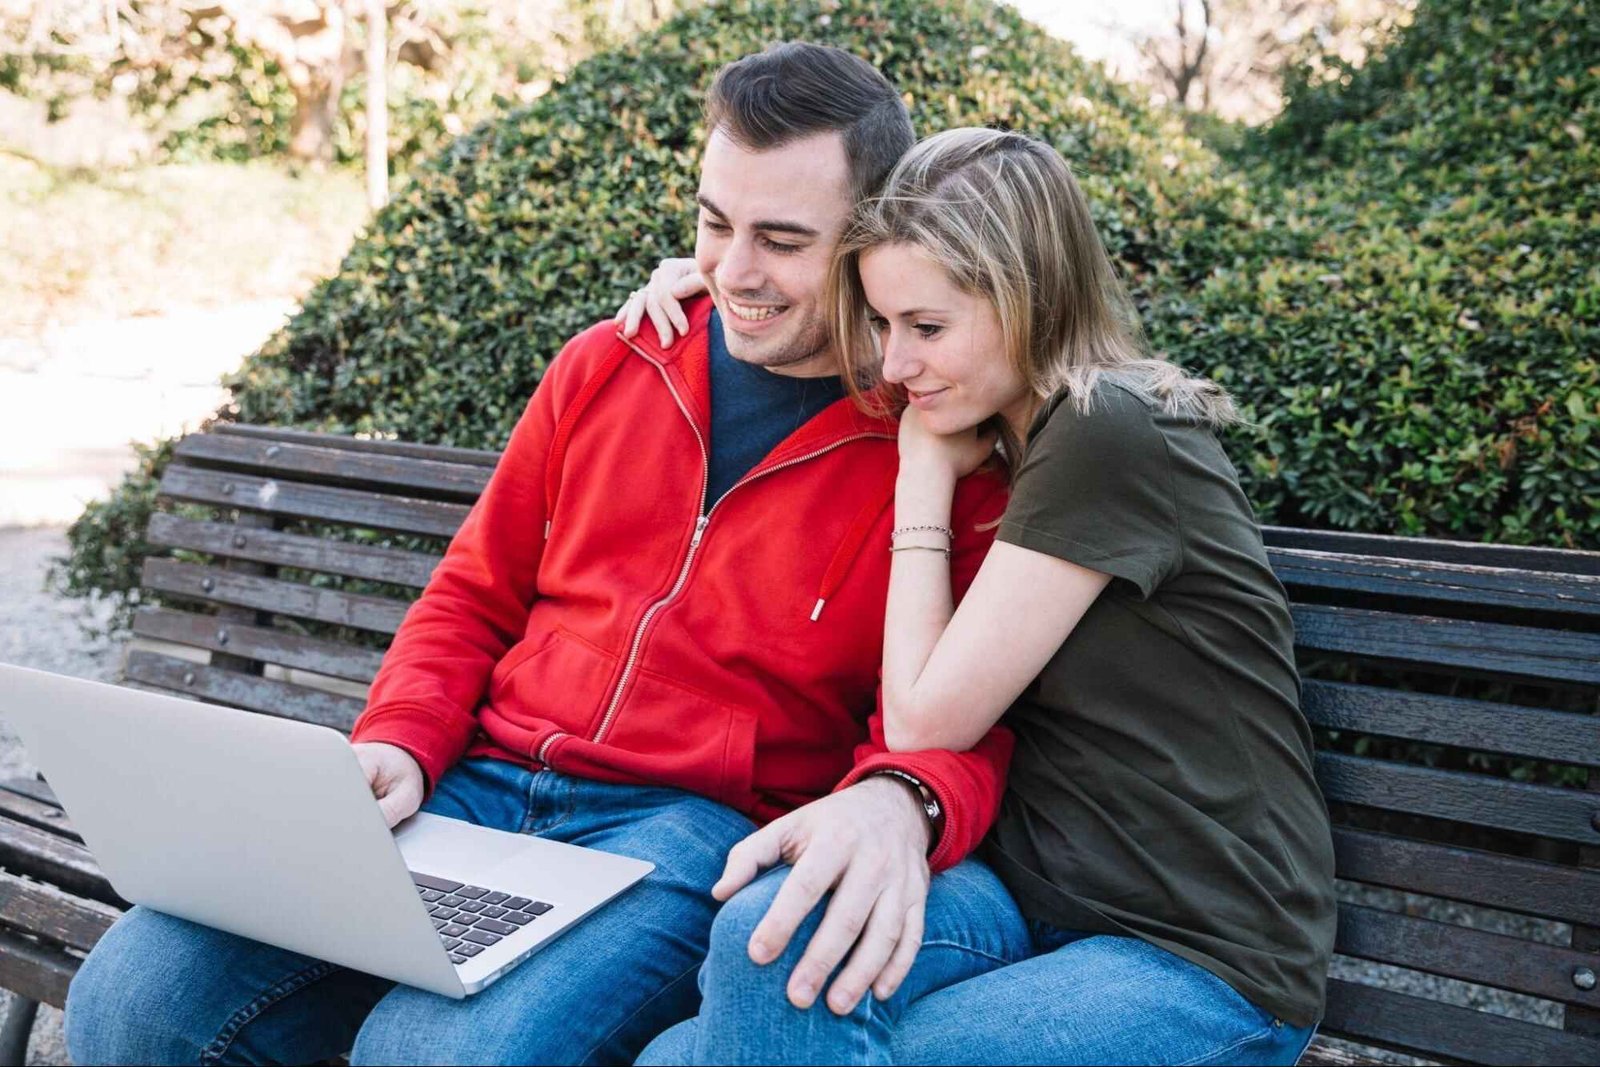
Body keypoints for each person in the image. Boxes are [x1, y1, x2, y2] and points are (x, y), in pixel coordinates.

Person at [63, 45, 1030, 1067]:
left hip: (682, 836)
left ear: (871, 238)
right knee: (135, 995)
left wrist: (901, 798)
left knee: (430, 1052)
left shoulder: (941, 449)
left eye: (781, 240)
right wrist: (398, 735)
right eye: (712, 222)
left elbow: (957, 719)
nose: (733, 270)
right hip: (472, 789)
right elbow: (472, 593)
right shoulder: (608, 363)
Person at [625, 128, 1336, 1065]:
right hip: (1027, 900)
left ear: (1029, 302)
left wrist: (920, 478)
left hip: (1196, 955)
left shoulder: (1107, 431)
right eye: (883, 325)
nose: (892, 366)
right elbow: (796, 324)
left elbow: (924, 720)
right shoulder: (1008, 432)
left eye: (926, 328)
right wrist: (711, 282)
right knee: (768, 943)